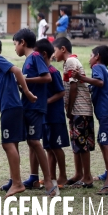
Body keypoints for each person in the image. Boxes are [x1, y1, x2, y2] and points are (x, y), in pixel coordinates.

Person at [0, 34, 37, 197]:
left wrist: (27, 92)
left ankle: (18, 183)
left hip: (11, 108)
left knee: (7, 144)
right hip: (11, 108)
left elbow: (17, 70)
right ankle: (14, 180)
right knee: (13, 144)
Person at [12, 29, 58, 197]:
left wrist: (24, 80)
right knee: (31, 142)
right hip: (27, 106)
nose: (15, 48)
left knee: (35, 142)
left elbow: (47, 77)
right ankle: (33, 178)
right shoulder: (28, 60)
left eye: (15, 44)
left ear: (22, 42)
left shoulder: (35, 57)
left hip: (35, 107)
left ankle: (48, 181)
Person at [73, 45, 108, 195]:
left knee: (104, 142)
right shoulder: (106, 70)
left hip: (107, 112)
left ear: (97, 56)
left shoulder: (97, 67)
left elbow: (99, 83)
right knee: (103, 141)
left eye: (91, 55)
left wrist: (81, 77)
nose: (89, 59)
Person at [52, 36, 94, 188]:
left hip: (79, 110)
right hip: (78, 110)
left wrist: (69, 110)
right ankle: (78, 174)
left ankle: (87, 177)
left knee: (82, 144)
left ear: (62, 49)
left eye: (54, 51)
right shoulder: (68, 63)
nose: (52, 54)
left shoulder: (70, 62)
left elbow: (74, 87)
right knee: (77, 143)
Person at [35, 38, 69, 188]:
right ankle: (51, 176)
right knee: (48, 147)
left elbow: (61, 92)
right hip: (45, 116)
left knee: (56, 147)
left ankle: (63, 176)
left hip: (55, 116)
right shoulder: (42, 72)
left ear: (43, 55)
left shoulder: (53, 72)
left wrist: (46, 102)